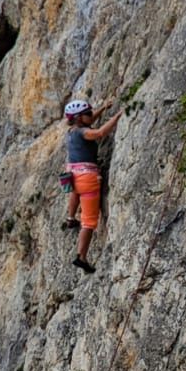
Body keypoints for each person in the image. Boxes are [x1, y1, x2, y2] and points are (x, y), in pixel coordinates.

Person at [63, 98, 120, 274]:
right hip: (87, 178)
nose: (91, 115)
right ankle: (81, 257)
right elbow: (100, 132)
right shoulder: (84, 133)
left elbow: (90, 121)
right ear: (79, 118)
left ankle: (71, 218)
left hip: (73, 176)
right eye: (88, 113)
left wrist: (103, 108)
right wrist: (118, 115)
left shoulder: (71, 131)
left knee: (75, 194)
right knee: (88, 222)